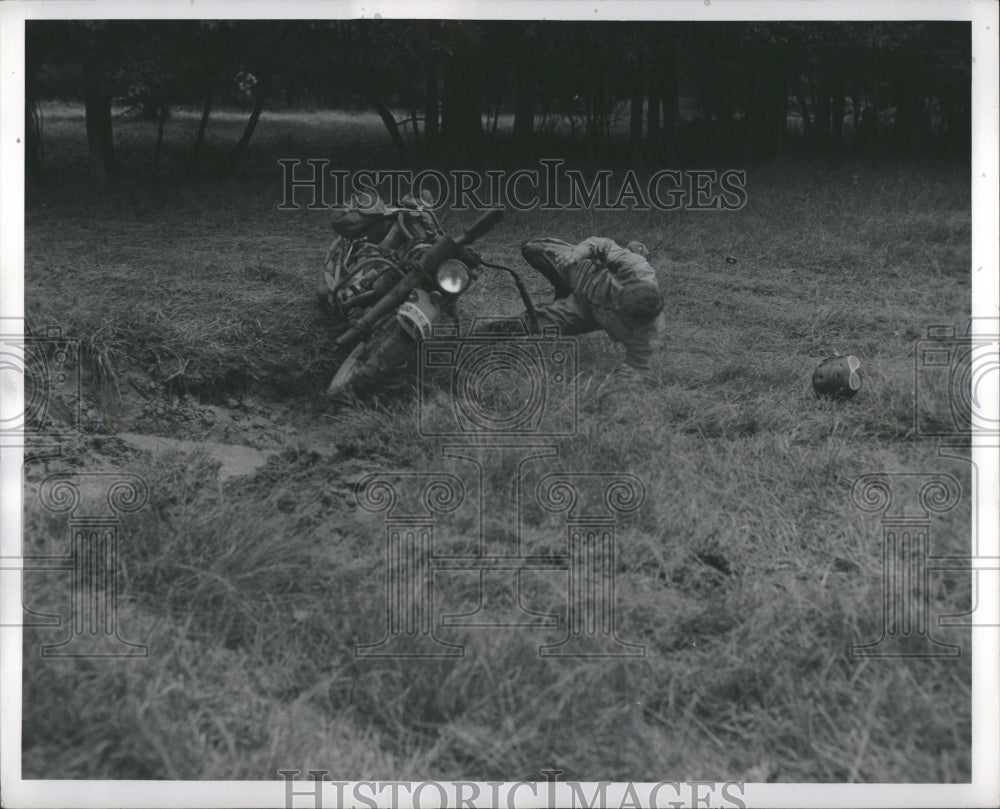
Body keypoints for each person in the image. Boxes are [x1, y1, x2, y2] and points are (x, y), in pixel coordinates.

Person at [500, 236, 667, 383]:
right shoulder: (636, 268)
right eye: (619, 301)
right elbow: (601, 244)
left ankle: (480, 336)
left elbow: (635, 369)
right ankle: (564, 287)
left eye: (621, 311)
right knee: (532, 248)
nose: (615, 306)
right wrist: (576, 254)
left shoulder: (648, 335)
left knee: (531, 323)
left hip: (586, 313)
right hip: (587, 275)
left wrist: (619, 386)